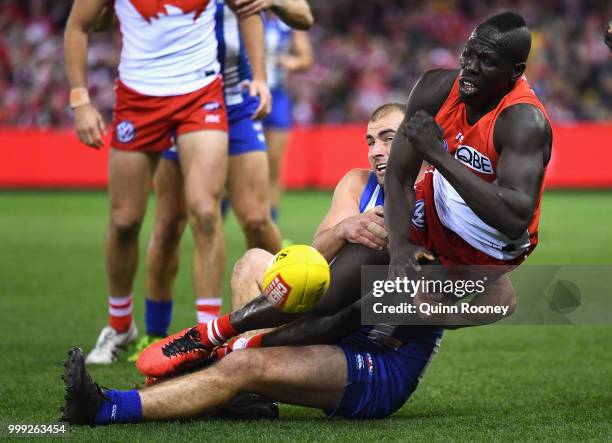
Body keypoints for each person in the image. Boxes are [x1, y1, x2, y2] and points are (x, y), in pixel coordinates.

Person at [60, 93, 518, 423]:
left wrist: (432, 306)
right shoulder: (358, 185)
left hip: (382, 362)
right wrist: (343, 229)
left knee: (241, 363)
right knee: (255, 262)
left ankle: (108, 406)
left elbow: (505, 295)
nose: (378, 151)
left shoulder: (443, 200)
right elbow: (310, 267)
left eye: (389, 138)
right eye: (371, 141)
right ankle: (245, 393)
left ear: (418, 143)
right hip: (326, 324)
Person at [64, 0, 268, 364]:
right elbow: (77, 26)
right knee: (125, 221)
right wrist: (80, 100)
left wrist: (261, 77)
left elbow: (248, 9)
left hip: (200, 95)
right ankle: (120, 325)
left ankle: (207, 338)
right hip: (137, 100)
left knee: (205, 212)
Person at [135, 0, 314, 358]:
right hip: (181, 104)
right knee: (170, 223)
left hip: (235, 103)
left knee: (256, 219)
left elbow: (304, 17)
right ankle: (154, 333)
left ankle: (297, 311)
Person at [263, 12, 313, 222]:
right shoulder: (249, 16)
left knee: (274, 162)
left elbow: (306, 59)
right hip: (246, 95)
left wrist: (292, 62)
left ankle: (271, 219)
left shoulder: (288, 21)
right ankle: (225, 203)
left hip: (277, 96)